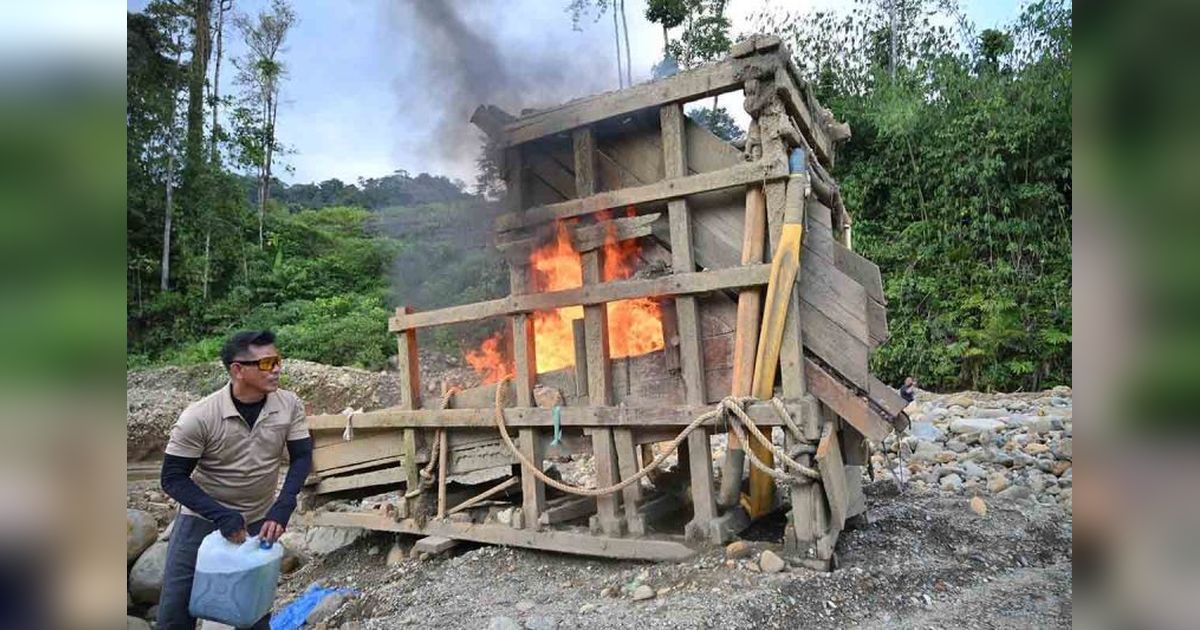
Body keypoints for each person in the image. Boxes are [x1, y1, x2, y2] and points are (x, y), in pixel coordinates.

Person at [156, 330, 313, 630]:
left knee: (253, 612)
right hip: (200, 521)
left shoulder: (288, 404)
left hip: (257, 521)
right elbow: (172, 478)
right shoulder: (200, 417)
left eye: (277, 361)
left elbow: (302, 457)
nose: (277, 368)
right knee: (175, 615)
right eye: (267, 364)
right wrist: (221, 515)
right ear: (237, 369)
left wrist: (282, 508)